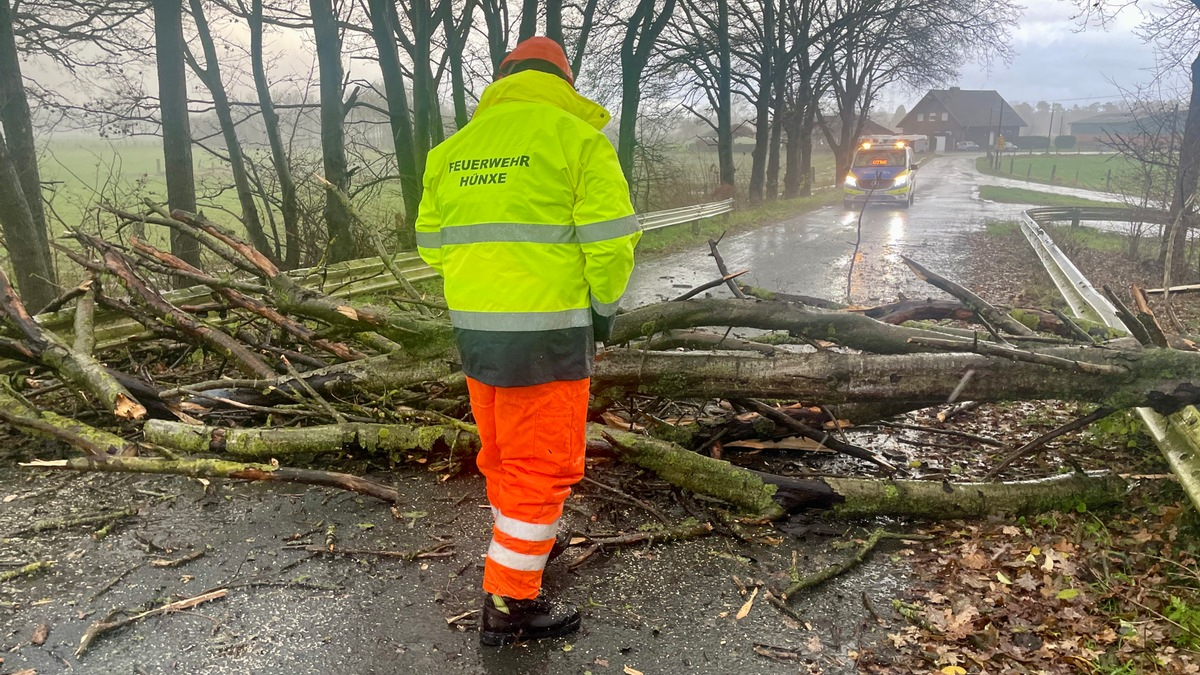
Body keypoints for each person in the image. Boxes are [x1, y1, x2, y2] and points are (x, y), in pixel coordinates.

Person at [414, 36, 640, 646]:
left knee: (503, 457)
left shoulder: (450, 152)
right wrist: (601, 316)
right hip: (548, 335)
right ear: (563, 82)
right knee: (541, 467)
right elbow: (612, 245)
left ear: (505, 77)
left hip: (477, 334)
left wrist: (486, 295)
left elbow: (433, 249)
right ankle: (510, 605)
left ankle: (523, 545)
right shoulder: (580, 141)